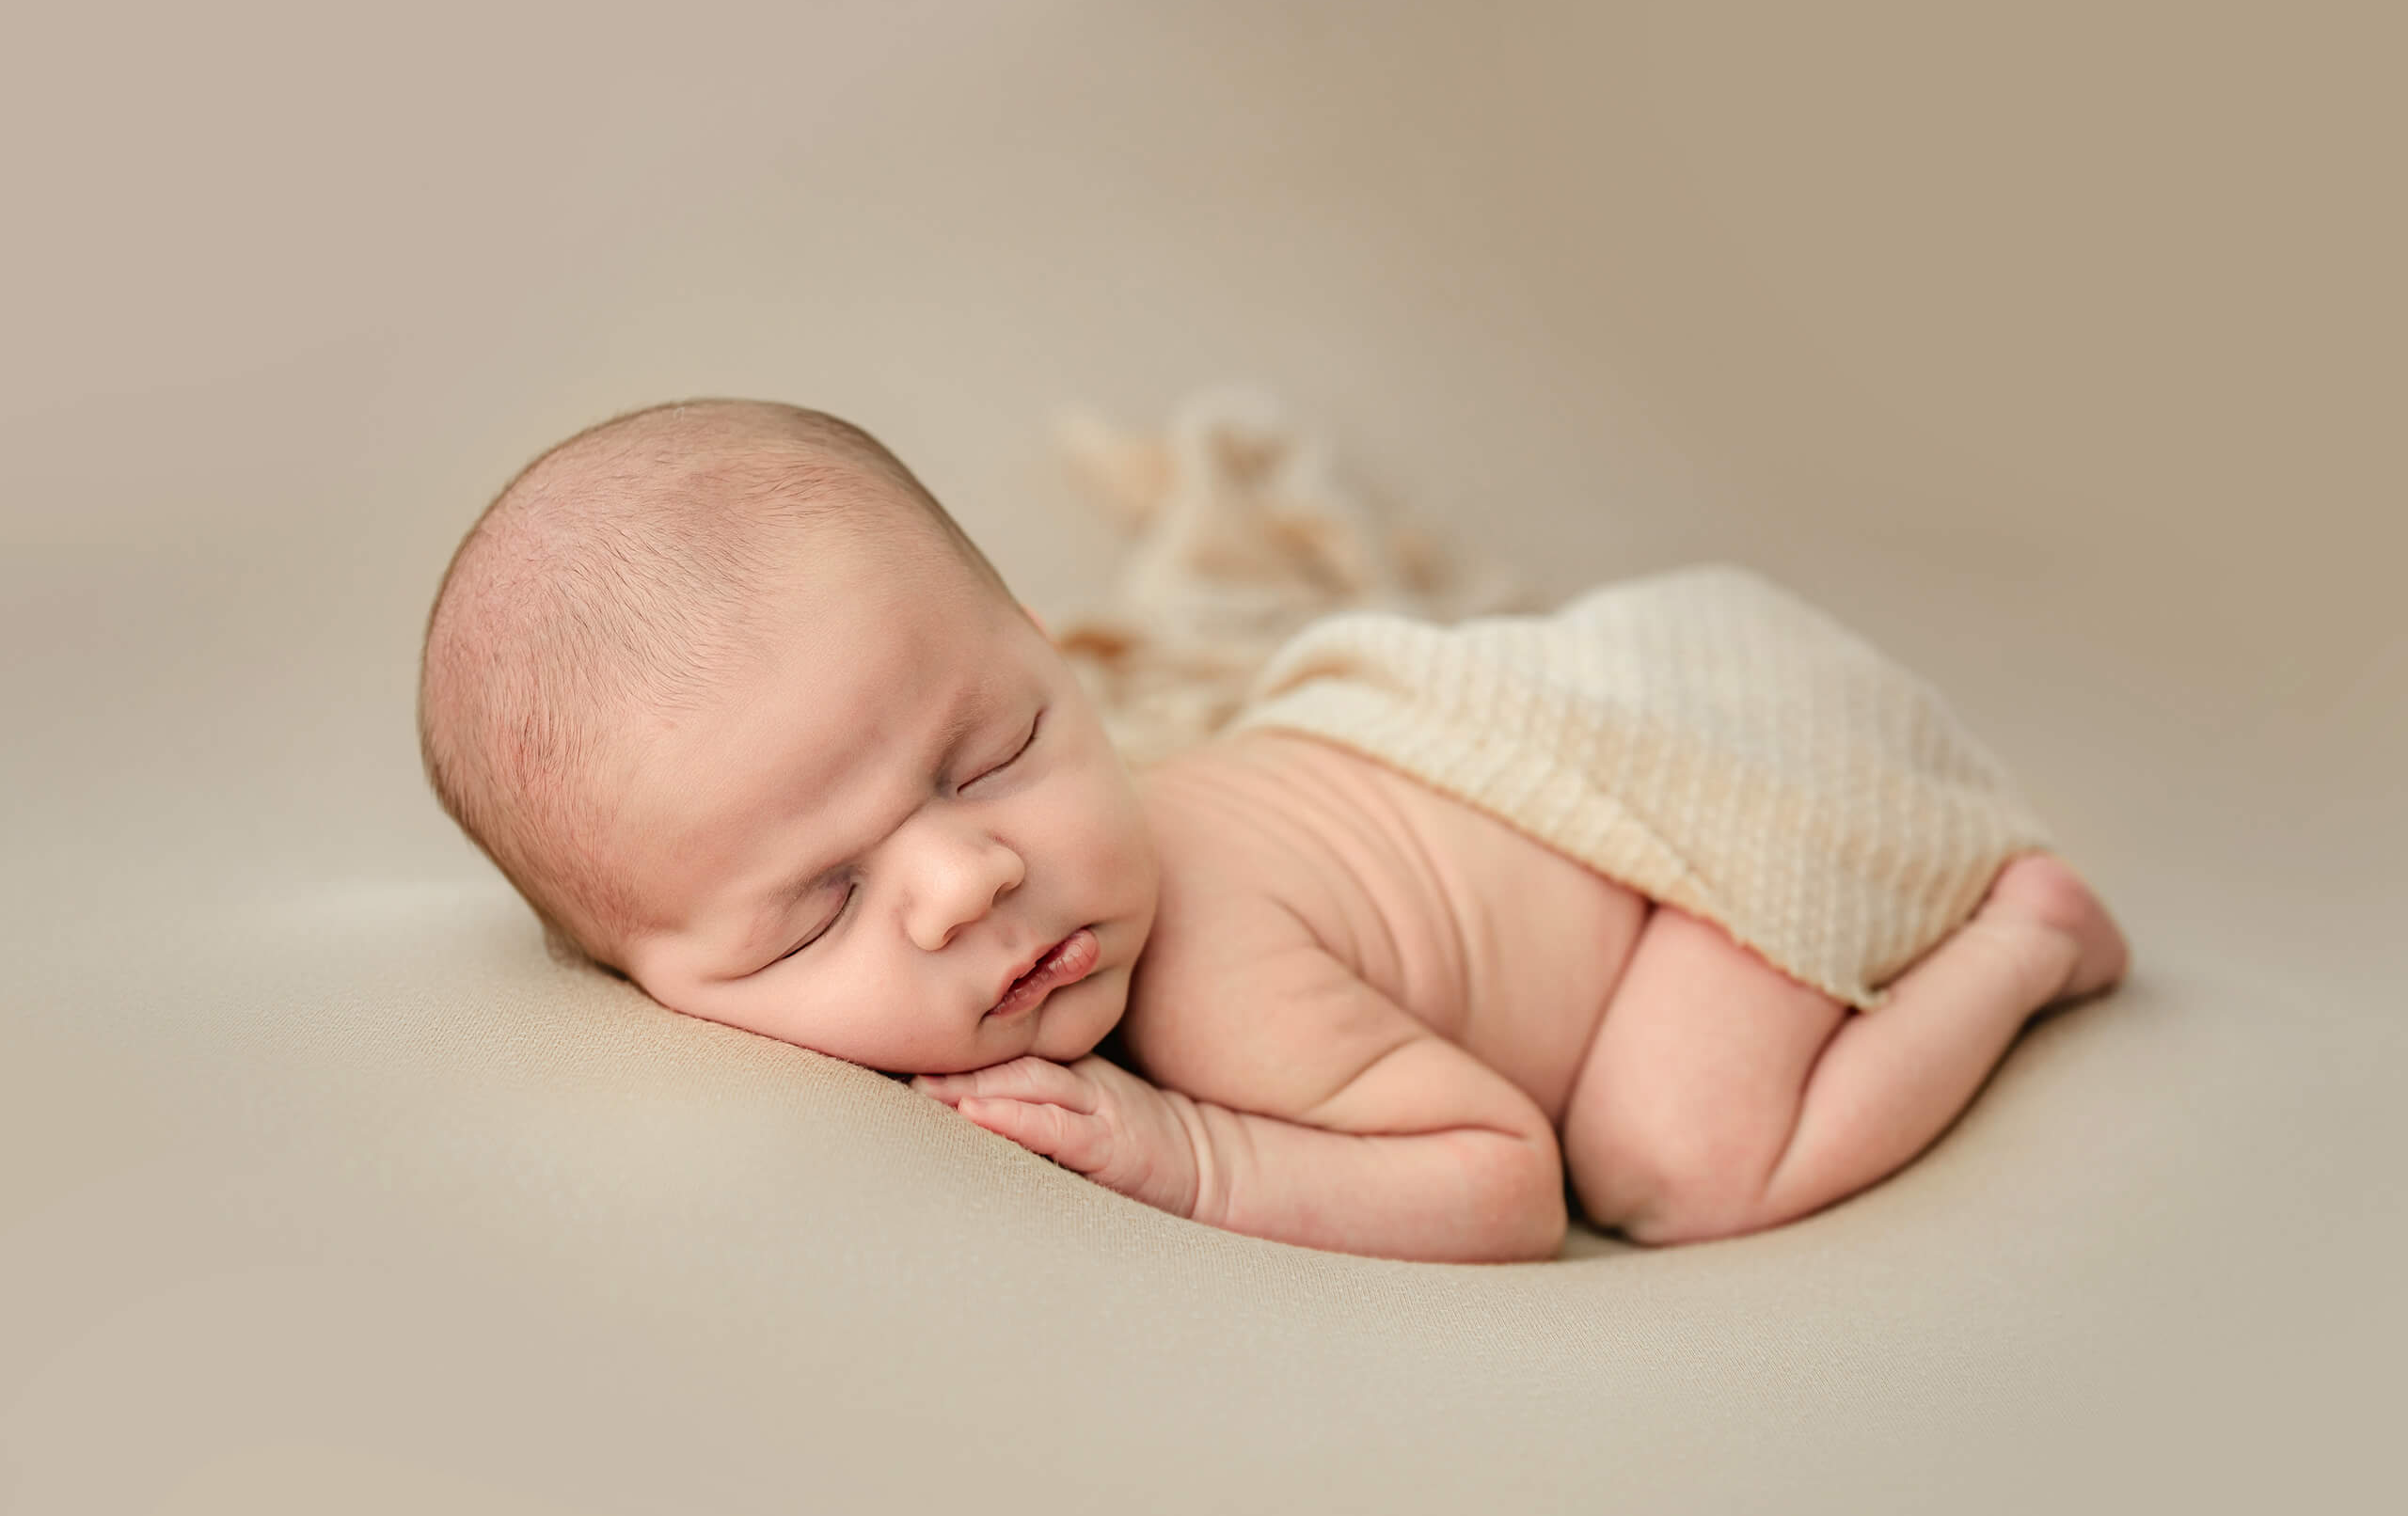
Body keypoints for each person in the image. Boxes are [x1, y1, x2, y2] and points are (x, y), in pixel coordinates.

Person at [419, 399, 2128, 1262]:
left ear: (1049, 650)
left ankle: (2022, 941)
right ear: (647, 982)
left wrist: (1196, 1159)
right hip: (1619, 733)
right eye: (815, 914)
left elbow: (1504, 1180)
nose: (967, 881)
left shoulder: (1221, 978)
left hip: (1703, 820)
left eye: (993, 752)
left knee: (1668, 1163)